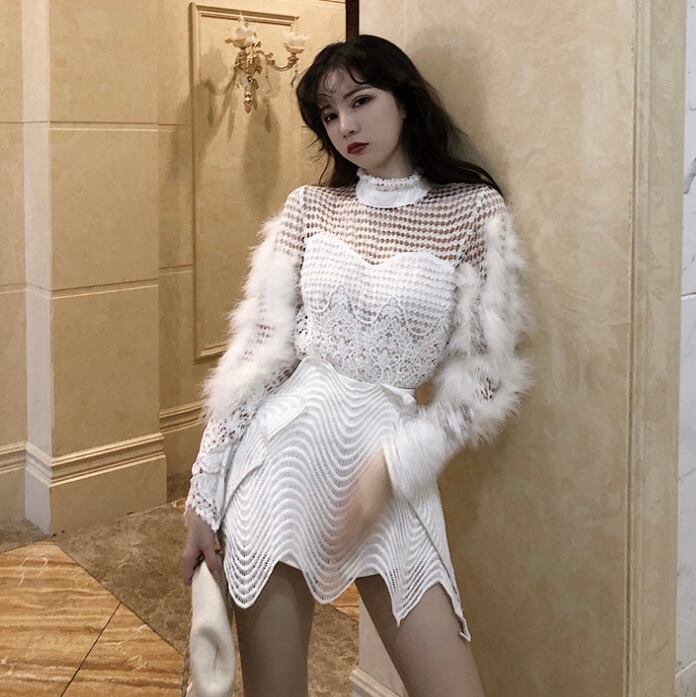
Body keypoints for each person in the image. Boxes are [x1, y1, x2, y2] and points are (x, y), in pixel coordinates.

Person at [181, 33, 534, 697]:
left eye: (360, 100)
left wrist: (392, 468)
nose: (345, 125)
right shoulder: (310, 208)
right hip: (280, 463)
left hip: (390, 469)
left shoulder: (472, 211)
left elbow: (485, 378)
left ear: (405, 99)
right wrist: (203, 495)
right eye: (329, 113)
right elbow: (257, 355)